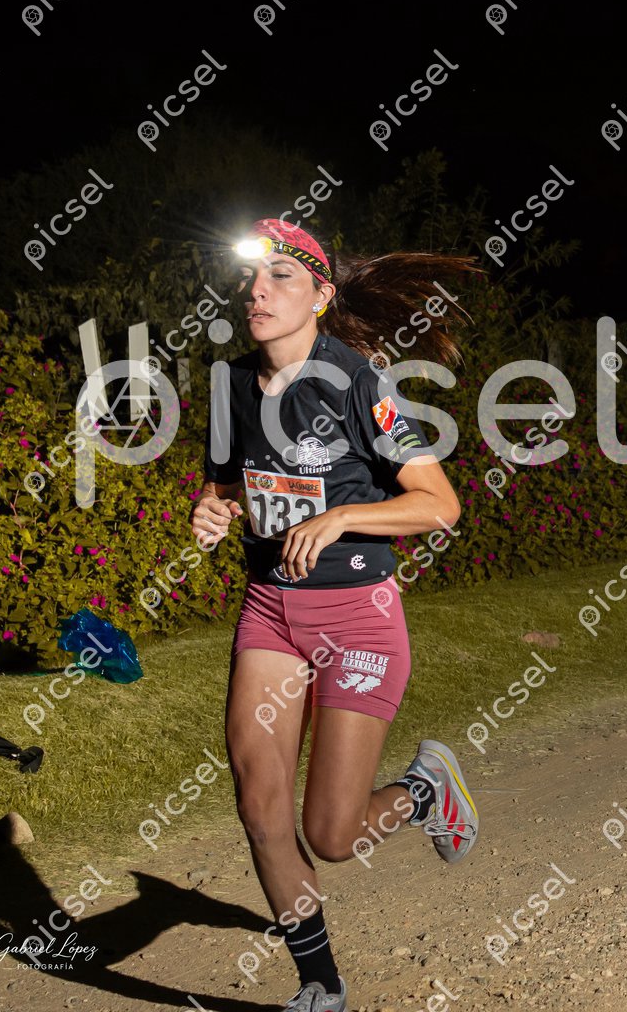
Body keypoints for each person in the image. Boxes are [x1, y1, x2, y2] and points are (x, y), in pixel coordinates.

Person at [191, 219, 480, 1012]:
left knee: (332, 834)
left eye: (281, 278)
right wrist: (213, 510)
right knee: (260, 806)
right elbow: (226, 482)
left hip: (357, 618)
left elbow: (440, 504)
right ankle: (319, 984)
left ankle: (423, 791)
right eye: (252, 279)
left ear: (320, 296)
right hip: (270, 613)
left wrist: (343, 518)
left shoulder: (358, 383)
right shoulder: (228, 385)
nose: (258, 292)